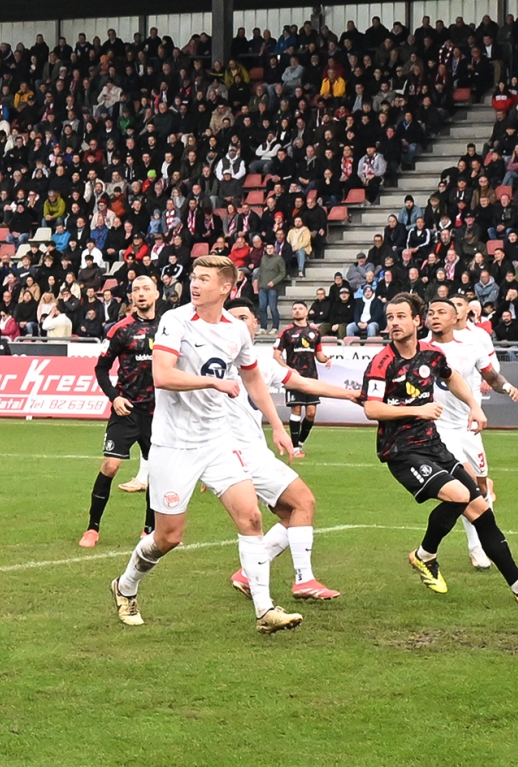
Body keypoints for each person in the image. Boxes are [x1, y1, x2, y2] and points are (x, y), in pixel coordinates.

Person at [108, 254, 304, 634]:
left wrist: (278, 426)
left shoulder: (236, 330)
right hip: (173, 444)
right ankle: (126, 585)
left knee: (251, 517)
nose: (194, 285)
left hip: (217, 440)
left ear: (226, 288)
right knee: (168, 537)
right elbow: (162, 376)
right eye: (194, 278)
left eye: (203, 279)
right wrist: (213, 382)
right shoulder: (175, 320)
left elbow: (253, 379)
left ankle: (265, 610)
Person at [362, 293, 518, 603]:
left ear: (416, 320)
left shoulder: (432, 354)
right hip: (402, 450)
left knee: (481, 508)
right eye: (390, 317)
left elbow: (452, 377)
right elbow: (372, 409)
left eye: (401, 316)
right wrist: (418, 410)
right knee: (458, 495)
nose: (394, 323)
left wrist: (474, 406)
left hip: (433, 445)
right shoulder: (382, 361)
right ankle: (424, 555)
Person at [227, 306, 363, 602]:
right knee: (304, 501)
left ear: (255, 323)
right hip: (243, 454)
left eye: (244, 318)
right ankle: (304, 579)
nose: (238, 324)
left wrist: (349, 394)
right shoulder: (214, 362)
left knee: (292, 513)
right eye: (232, 319)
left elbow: (302, 382)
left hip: (251, 451)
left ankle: (248, 573)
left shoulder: (261, 363)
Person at [425, 297, 518, 571]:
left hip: (468, 427)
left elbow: (492, 377)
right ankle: (476, 547)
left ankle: (485, 539)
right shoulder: (421, 348)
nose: (434, 316)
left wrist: (507, 387)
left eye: (441, 311)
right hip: (439, 428)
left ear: (456, 316)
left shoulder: (473, 346)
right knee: (466, 484)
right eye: (431, 312)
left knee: (481, 487)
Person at [81, 273, 157, 548]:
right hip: (127, 409)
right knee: (111, 465)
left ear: (156, 294)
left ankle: (150, 530)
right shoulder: (120, 329)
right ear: (131, 296)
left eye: (146, 288)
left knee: (159, 472)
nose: (141, 293)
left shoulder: (169, 328)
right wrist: (114, 398)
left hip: (159, 413)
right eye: (136, 289)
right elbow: (101, 368)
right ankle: (92, 528)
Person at [273, 300, 330, 457]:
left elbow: (319, 355)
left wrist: (326, 359)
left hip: (311, 378)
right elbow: (276, 355)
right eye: (294, 309)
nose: (297, 311)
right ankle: (295, 448)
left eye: (300, 308)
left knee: (311, 413)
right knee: (296, 409)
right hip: (294, 378)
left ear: (306, 312)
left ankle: (300, 442)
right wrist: (288, 369)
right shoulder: (286, 332)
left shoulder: (315, 331)